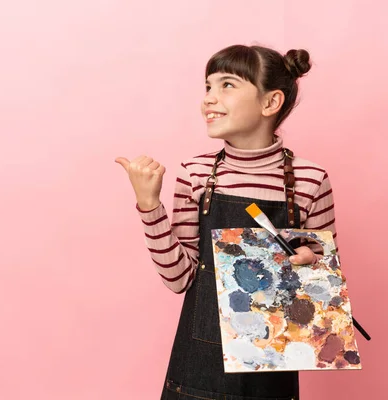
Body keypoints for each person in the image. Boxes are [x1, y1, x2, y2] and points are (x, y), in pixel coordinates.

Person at [116, 44, 339, 400]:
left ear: (270, 102)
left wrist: (312, 268)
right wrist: (149, 204)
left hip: (270, 371)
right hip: (197, 370)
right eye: (207, 87)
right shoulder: (196, 173)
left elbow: (325, 289)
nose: (209, 98)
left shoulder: (310, 179)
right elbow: (179, 279)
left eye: (227, 85)